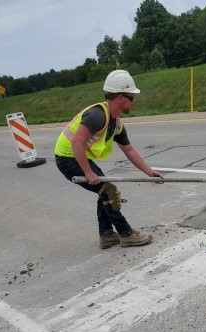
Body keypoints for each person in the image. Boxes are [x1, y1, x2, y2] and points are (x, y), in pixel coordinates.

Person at [55, 69, 163, 249]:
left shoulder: (116, 123)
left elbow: (130, 151)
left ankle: (106, 235)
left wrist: (149, 172)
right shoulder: (98, 116)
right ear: (121, 98)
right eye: (131, 98)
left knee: (104, 190)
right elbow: (76, 142)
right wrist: (88, 173)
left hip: (76, 157)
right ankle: (126, 234)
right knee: (108, 191)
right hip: (67, 158)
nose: (133, 102)